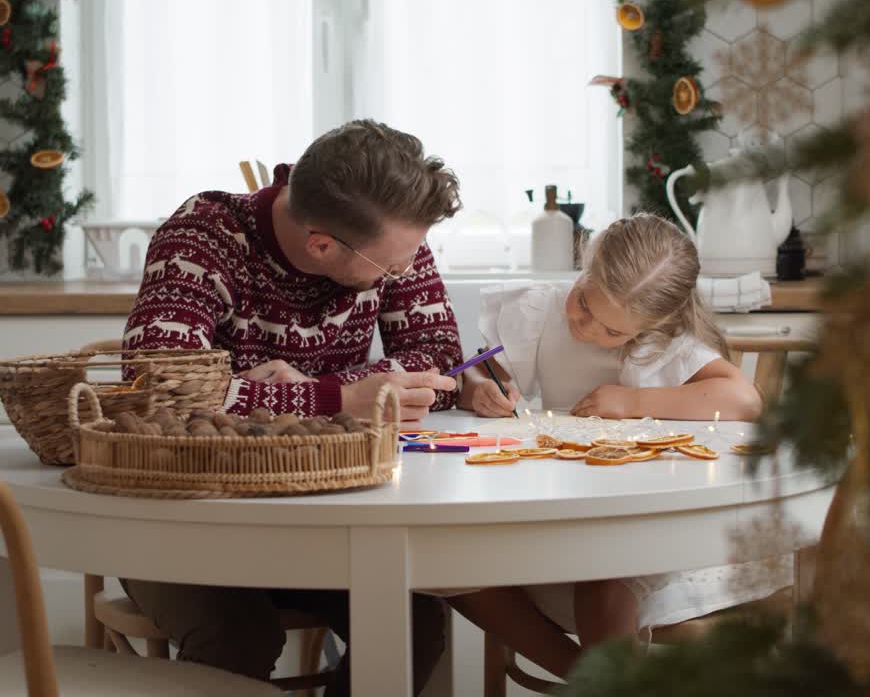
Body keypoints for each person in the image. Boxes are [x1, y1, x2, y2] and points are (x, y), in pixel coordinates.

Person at [120, 119, 463, 695]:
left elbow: (438, 359)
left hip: (328, 521)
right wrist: (335, 399)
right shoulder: (201, 238)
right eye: (393, 268)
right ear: (322, 244)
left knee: (416, 621)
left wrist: (308, 386)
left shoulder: (390, 236)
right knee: (241, 636)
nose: (406, 271)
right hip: (187, 518)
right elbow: (158, 389)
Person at [453, 213, 783, 678]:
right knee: (454, 568)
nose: (587, 329)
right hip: (561, 512)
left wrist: (632, 399)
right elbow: (482, 373)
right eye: (584, 304)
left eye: (612, 332)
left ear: (650, 326)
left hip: (649, 520)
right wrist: (480, 389)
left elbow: (743, 399)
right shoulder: (542, 309)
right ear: (584, 264)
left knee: (603, 579)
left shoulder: (662, 343)